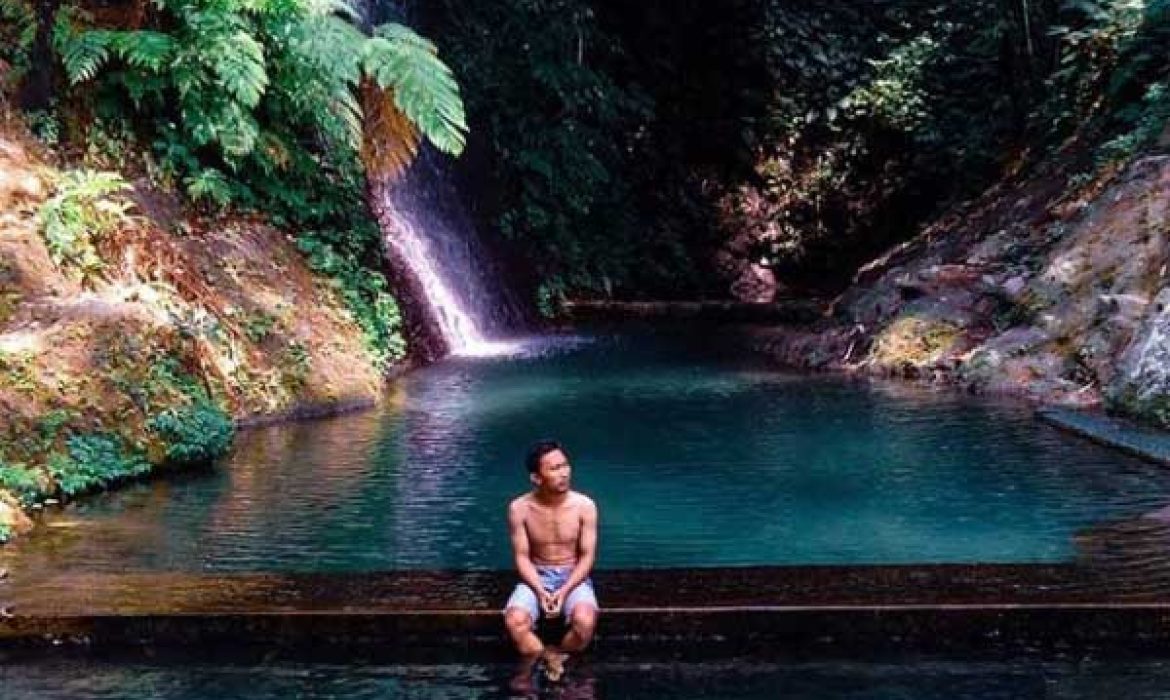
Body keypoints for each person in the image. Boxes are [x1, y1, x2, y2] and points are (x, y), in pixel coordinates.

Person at [503, 439, 599, 680]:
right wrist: (540, 590)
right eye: (554, 469)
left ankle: (558, 652)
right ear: (536, 477)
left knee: (585, 622)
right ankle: (546, 657)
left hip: (574, 575)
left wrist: (564, 591)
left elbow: (587, 557)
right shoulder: (520, 508)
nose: (564, 473)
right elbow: (522, 557)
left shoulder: (584, 506)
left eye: (565, 465)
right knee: (514, 622)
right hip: (537, 574)